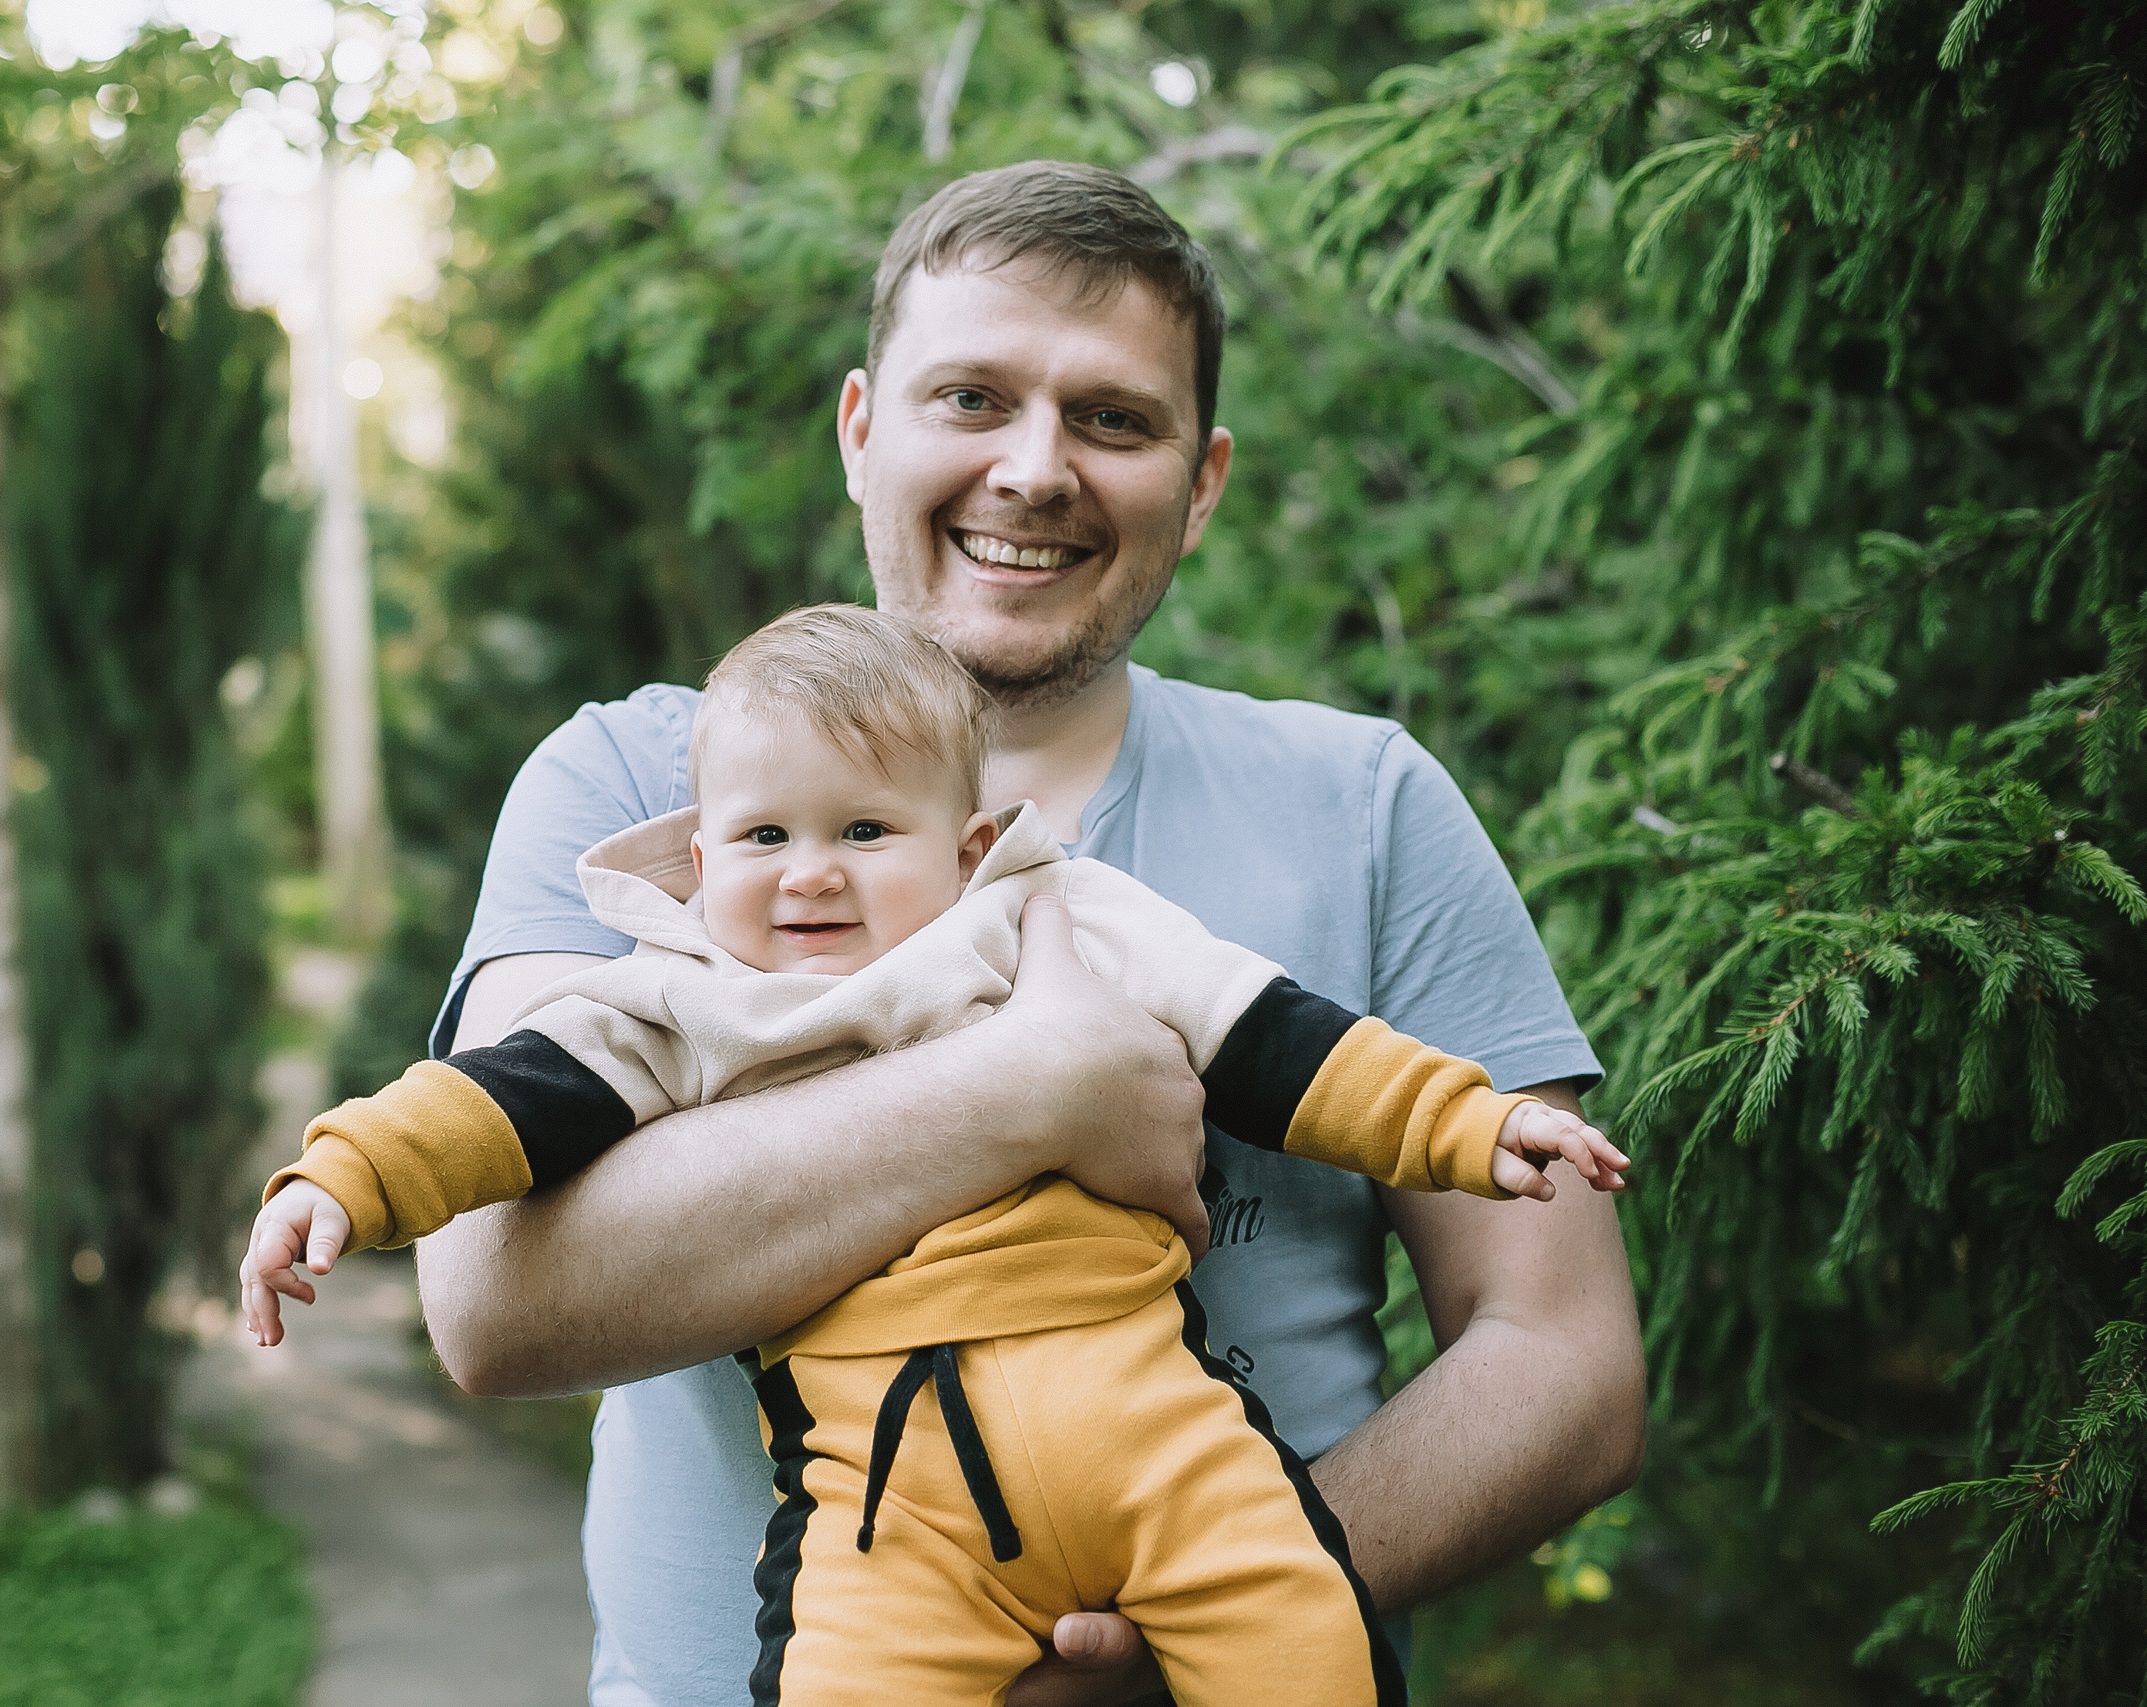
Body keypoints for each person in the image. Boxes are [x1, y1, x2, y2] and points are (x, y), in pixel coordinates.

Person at [404, 161, 1644, 1706]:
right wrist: (1034, 1093)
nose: (1035, 469)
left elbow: (1562, 1355)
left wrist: (1235, 1596)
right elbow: (495, 1299)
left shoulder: (1365, 804)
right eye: (971, 398)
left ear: (1202, 481)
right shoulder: (644, 791)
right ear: (863, 430)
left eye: (1115, 420)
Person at [242, 607, 1629, 1704]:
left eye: (862, 832)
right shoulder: (679, 1004)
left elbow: (1284, 1045)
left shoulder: (1055, 918)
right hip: (889, 1501)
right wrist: (337, 1180)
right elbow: (491, 1108)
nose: (810, 874)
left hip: (1158, 1436)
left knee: (1297, 1638)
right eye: (764, 838)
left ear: (967, 844)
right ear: (697, 859)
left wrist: (1471, 1124)